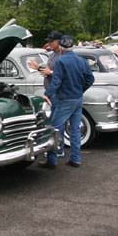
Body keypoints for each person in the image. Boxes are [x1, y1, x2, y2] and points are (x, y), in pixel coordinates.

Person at [39, 35, 95, 168]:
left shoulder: (61, 61)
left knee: (55, 129)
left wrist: (47, 94)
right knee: (75, 129)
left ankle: (52, 161)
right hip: (77, 98)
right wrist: (81, 90)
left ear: (61, 48)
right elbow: (90, 79)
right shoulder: (82, 61)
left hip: (64, 99)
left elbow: (56, 82)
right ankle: (75, 159)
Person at [28, 30, 65, 157]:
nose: (49, 43)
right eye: (48, 41)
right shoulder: (52, 55)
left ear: (59, 41)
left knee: (57, 122)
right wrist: (39, 68)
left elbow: (62, 74)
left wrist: (50, 73)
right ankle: (55, 147)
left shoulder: (62, 55)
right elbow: (49, 71)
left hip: (57, 92)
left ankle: (59, 148)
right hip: (50, 91)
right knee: (51, 121)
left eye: (51, 41)